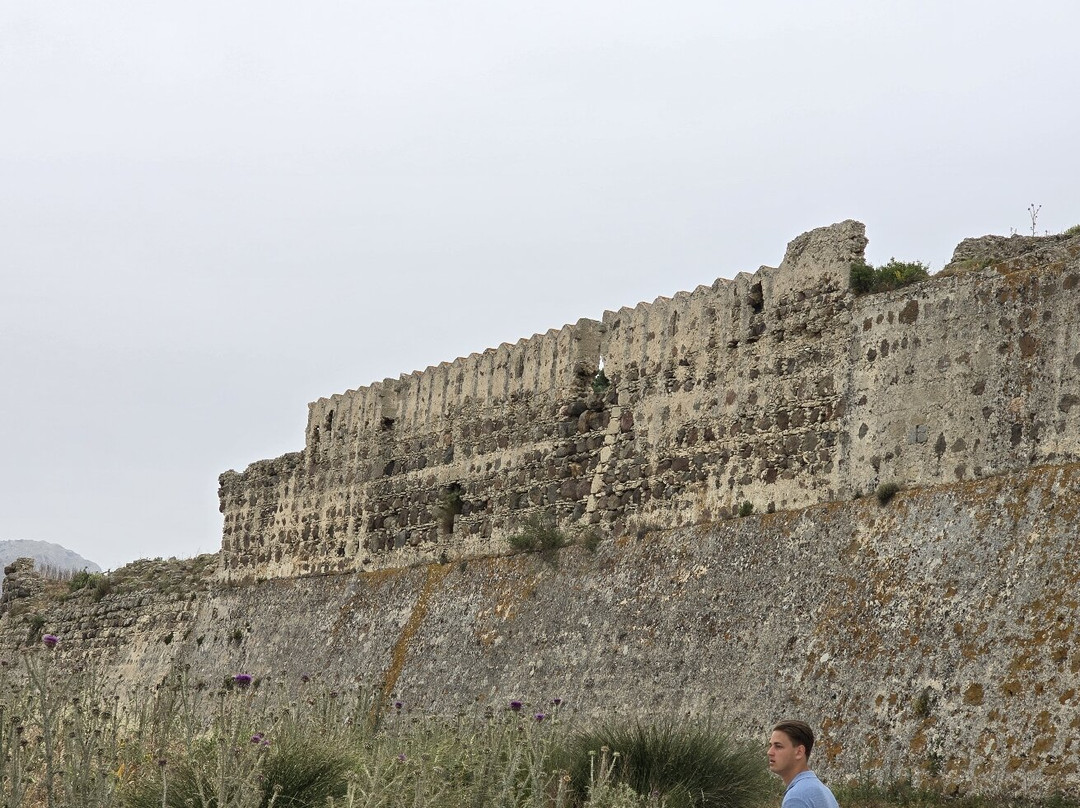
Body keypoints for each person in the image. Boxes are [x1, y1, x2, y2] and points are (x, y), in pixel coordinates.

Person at [767, 720, 840, 808]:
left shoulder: (796, 797)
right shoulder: (824, 791)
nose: (769, 752)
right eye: (770, 745)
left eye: (778, 746)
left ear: (799, 752)